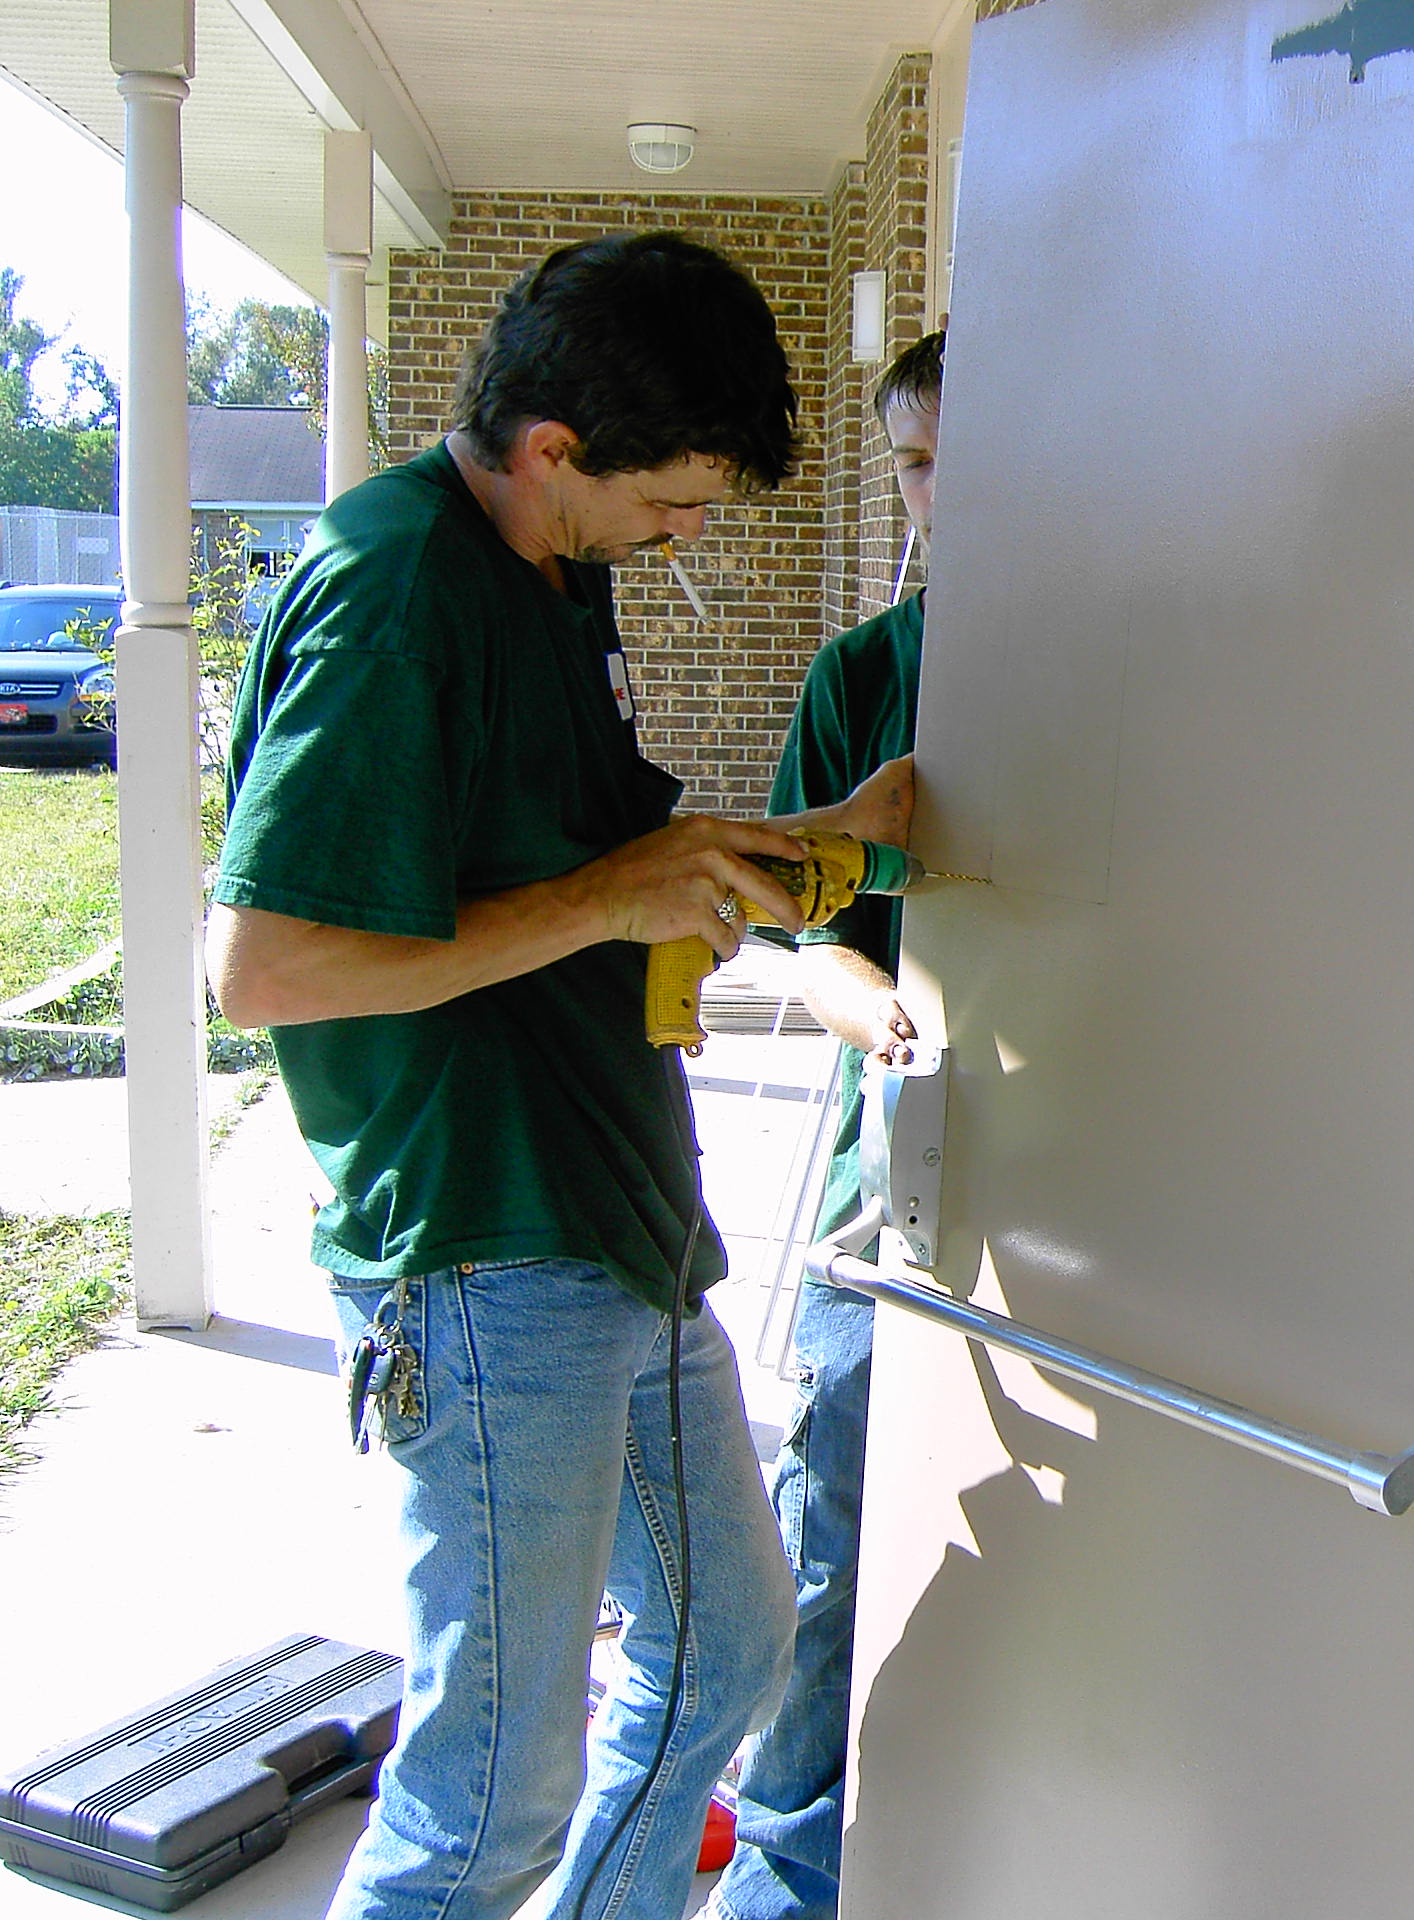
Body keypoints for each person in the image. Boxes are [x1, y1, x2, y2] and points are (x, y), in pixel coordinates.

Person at [206, 232, 913, 1920]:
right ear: (551, 447)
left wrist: (820, 837)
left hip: (614, 1219)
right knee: (487, 1807)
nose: (685, 537)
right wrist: (607, 902)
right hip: (478, 1245)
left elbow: (595, 859)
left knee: (723, 1656)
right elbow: (265, 965)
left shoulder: (551, 565)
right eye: (670, 503)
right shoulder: (396, 591)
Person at [710, 328, 943, 1920]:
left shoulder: (1145, 656)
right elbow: (795, 925)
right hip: (901, 1160)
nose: (943, 497)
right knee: (831, 1504)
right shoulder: (861, 674)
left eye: (973, 462)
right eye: (917, 466)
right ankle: (790, 1862)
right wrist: (856, 993)